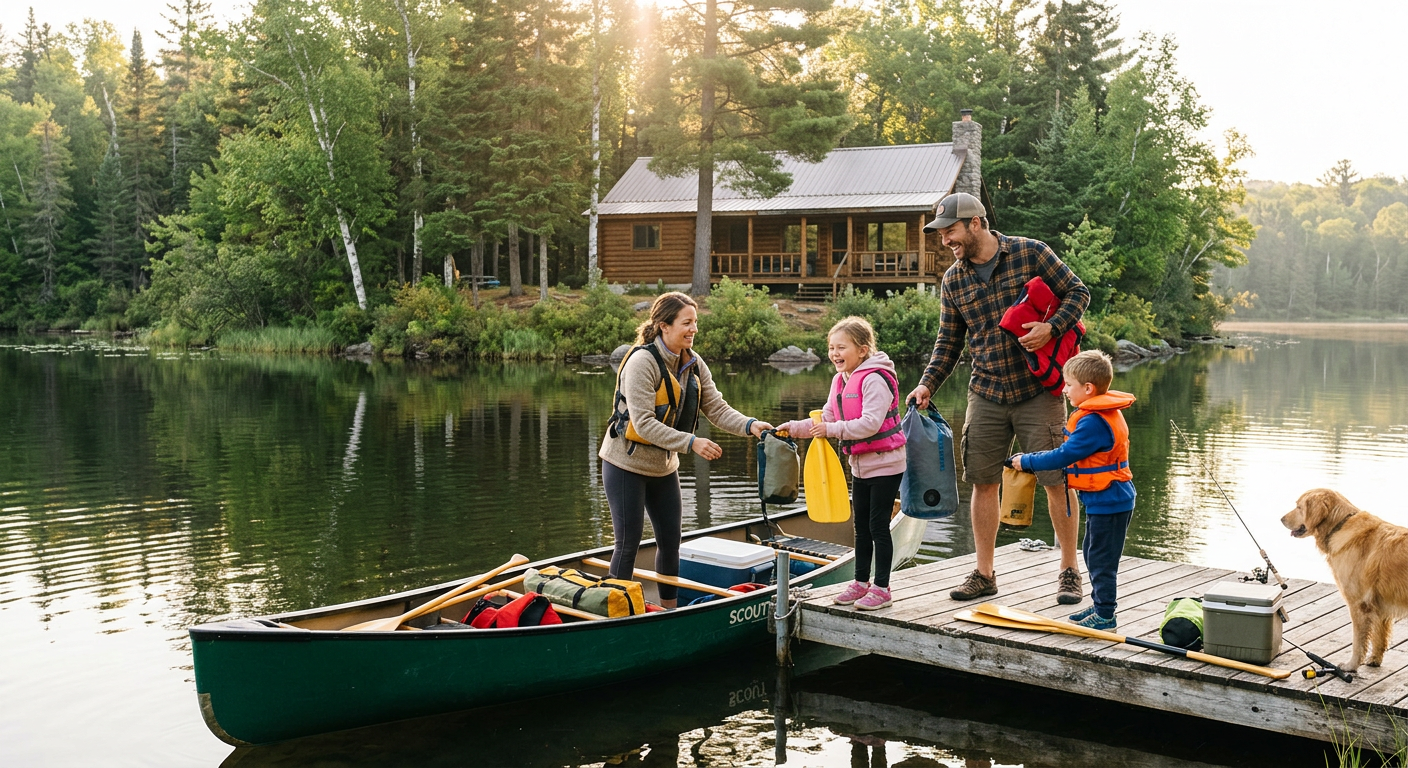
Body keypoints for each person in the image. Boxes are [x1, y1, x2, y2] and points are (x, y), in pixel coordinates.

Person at [905, 191, 1091, 604]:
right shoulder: (953, 279)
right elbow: (948, 342)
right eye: (940, 233)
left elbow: (1078, 293)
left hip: (1038, 393)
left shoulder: (1031, 253)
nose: (944, 240)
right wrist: (926, 385)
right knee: (982, 482)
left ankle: (1069, 570)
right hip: (985, 391)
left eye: (950, 231)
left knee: (1056, 481)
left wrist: (1053, 328)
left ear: (975, 223)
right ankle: (984, 574)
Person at [599, 292, 772, 608]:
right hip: (626, 465)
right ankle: (616, 614)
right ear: (664, 325)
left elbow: (716, 407)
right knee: (628, 543)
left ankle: (669, 610)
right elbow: (645, 423)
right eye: (686, 323)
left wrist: (751, 425)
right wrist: (692, 443)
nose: (693, 329)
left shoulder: (693, 362)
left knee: (670, 542)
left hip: (663, 468)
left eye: (696, 323)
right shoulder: (642, 362)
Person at [778, 317, 906, 611]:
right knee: (860, 526)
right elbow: (828, 418)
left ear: (862, 350)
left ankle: (882, 588)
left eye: (841, 347)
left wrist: (831, 431)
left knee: (878, 526)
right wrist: (794, 428)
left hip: (886, 464)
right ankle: (861, 582)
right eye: (831, 348)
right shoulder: (840, 380)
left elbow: (871, 424)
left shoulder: (875, 378)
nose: (835, 353)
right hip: (860, 465)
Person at [1010, 350, 1135, 629]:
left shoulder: (1093, 421)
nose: (1064, 390)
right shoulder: (1098, 414)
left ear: (1088, 388)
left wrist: (1026, 461)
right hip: (1105, 500)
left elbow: (1064, 456)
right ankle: (1100, 603)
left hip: (1111, 501)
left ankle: (1105, 614)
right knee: (1092, 552)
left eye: (1068, 384)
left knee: (1101, 559)